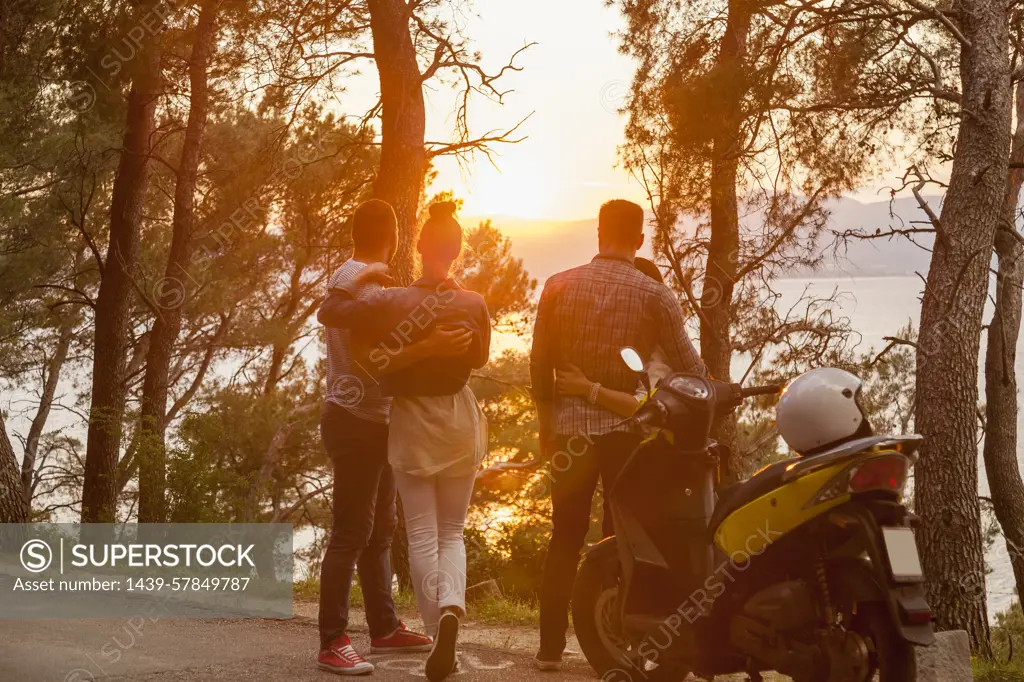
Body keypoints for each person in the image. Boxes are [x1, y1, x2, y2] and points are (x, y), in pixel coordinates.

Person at [318, 202, 491, 682]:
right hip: (357, 418)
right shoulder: (369, 284)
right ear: (395, 239)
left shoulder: (356, 277)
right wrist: (431, 346)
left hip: (377, 420)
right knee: (352, 533)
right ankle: (332, 641)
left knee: (381, 531)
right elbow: (368, 358)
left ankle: (385, 626)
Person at [530, 200, 706, 671]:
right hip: (625, 434)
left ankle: (549, 650)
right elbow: (692, 370)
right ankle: (615, 640)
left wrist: (547, 427)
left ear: (599, 232)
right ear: (640, 239)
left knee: (564, 535)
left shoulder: (557, 286)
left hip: (569, 432)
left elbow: (539, 365)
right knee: (621, 538)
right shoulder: (654, 295)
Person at [554, 257, 675, 539]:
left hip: (645, 453)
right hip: (611, 441)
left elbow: (638, 406)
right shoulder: (631, 344)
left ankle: (612, 583)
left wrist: (586, 388)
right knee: (572, 530)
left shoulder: (659, 354)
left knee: (617, 531)